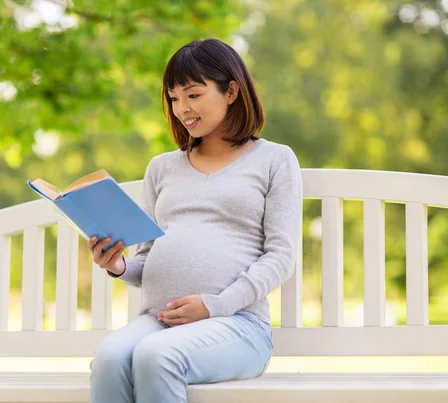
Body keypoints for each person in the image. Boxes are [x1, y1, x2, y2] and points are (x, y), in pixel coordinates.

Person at [87, 38, 303, 403]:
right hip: (158, 320)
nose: (181, 108)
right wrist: (120, 266)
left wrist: (214, 306)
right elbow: (148, 257)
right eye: (173, 98)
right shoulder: (162, 167)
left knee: (157, 356)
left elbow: (281, 256)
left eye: (193, 94)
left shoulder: (274, 160)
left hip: (238, 324)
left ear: (231, 91)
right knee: (109, 358)